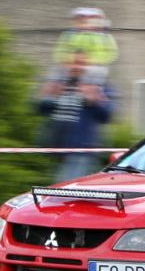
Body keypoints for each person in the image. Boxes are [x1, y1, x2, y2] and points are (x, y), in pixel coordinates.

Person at [38, 50, 115, 182]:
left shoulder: (98, 85)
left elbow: (107, 116)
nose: (77, 67)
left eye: (82, 63)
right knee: (62, 186)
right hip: (58, 148)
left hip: (82, 150)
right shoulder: (60, 83)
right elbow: (42, 109)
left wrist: (95, 101)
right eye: (73, 63)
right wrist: (48, 97)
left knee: (66, 187)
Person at [53, 7, 119, 84]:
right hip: (70, 66)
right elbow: (59, 53)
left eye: (91, 18)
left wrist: (88, 60)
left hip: (94, 67)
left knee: (93, 78)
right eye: (80, 18)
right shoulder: (68, 35)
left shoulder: (105, 36)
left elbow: (112, 54)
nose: (85, 20)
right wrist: (73, 59)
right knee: (56, 77)